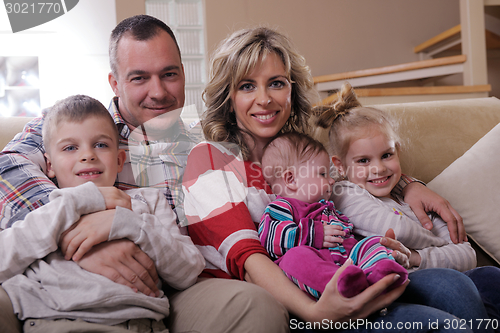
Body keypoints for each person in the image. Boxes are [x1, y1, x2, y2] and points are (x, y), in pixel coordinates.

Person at [182, 26, 491, 332]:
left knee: (461, 289)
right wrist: (318, 313)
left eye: (276, 83)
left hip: (353, 269)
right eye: (247, 86)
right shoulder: (210, 157)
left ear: (291, 91)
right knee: (446, 321)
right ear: (228, 96)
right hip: (300, 298)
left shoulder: (306, 145)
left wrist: (409, 185)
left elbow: (359, 174)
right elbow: (249, 259)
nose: (264, 99)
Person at [0, 15, 289, 333]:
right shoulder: (76, 126)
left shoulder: (209, 140)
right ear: (115, 82)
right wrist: (76, 227)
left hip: (175, 289)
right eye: (139, 78)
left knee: (256, 307)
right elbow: (9, 167)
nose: (159, 92)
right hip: (67, 289)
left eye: (169, 75)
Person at [0, 95, 205, 332]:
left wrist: (132, 225)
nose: (88, 155)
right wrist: (79, 202)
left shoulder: (147, 202)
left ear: (119, 160)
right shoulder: (47, 207)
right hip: (54, 321)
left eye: (101, 145)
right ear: (50, 166)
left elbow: (189, 270)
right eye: (70, 148)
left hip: (139, 323)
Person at [316, 82, 500, 325]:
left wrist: (416, 256)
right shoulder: (344, 193)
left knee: (491, 276)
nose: (379, 168)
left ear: (398, 151)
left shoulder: (412, 198)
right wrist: (439, 245)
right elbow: (394, 230)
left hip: (422, 267)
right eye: (363, 160)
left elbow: (467, 255)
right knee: (453, 285)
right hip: (400, 285)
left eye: (386, 155)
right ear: (340, 165)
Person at [259, 132, 407, 299]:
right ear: (291, 180)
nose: (331, 181)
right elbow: (272, 239)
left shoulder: (328, 208)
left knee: (372, 242)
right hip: (315, 275)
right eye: (323, 174)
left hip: (347, 260)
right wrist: (316, 234)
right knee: (294, 259)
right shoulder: (281, 207)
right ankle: (343, 284)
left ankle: (380, 274)